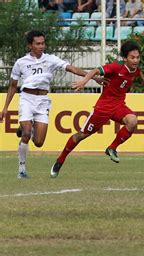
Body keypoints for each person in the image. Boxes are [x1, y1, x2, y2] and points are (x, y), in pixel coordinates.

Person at [0, 30, 104, 179]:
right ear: (30, 45)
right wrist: (5, 108)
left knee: (39, 142)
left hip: (42, 101)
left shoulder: (51, 59)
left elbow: (72, 68)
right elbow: (12, 86)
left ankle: (24, 129)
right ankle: (22, 169)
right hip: (27, 98)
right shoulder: (21, 62)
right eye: (38, 43)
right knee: (27, 133)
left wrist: (92, 78)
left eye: (43, 43)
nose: (41, 46)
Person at [50, 41, 144, 178]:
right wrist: (84, 81)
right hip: (103, 107)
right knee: (80, 136)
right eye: (132, 57)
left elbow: (138, 73)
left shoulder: (135, 69)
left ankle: (112, 148)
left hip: (119, 106)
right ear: (125, 58)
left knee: (132, 121)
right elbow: (96, 70)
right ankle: (60, 160)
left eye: (138, 57)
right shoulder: (115, 67)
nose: (136, 60)